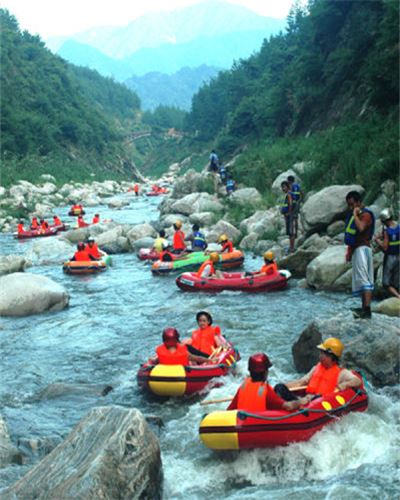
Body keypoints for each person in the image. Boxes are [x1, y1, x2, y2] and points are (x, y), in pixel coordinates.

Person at [275, 338, 362, 405]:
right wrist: (285, 386)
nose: (320, 356)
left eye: (322, 354)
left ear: (330, 356)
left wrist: (345, 384)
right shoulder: (316, 368)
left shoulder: (342, 373)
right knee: (279, 387)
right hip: (305, 400)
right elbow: (302, 382)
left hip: (319, 402)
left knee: (308, 399)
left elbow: (357, 381)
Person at [227, 353, 301, 412]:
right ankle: (299, 399)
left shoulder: (242, 387)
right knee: (280, 387)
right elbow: (289, 406)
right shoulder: (265, 391)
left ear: (250, 371)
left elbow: (229, 410)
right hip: (262, 422)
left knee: (279, 388)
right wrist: (301, 402)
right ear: (265, 372)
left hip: (246, 423)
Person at [345, 191, 375, 319]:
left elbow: (361, 228)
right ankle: (363, 308)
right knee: (361, 280)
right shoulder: (358, 214)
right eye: (349, 205)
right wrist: (349, 251)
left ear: (358, 202)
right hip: (357, 249)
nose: (351, 207)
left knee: (364, 279)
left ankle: (367, 310)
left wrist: (355, 215)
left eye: (352, 204)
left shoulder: (366, 215)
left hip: (363, 249)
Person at [374, 208, 400, 298]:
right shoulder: (399, 227)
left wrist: (377, 240)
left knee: (386, 283)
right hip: (398, 256)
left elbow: (385, 246)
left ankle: (398, 297)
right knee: (396, 282)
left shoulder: (386, 231)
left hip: (390, 258)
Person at [280, 181, 296, 253]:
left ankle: (292, 248)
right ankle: (291, 247)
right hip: (289, 215)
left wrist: (289, 212)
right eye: (282, 187)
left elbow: (290, 203)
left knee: (291, 231)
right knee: (290, 232)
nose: (283, 189)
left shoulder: (289, 194)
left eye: (284, 187)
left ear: (287, 187)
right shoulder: (289, 194)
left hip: (290, 215)